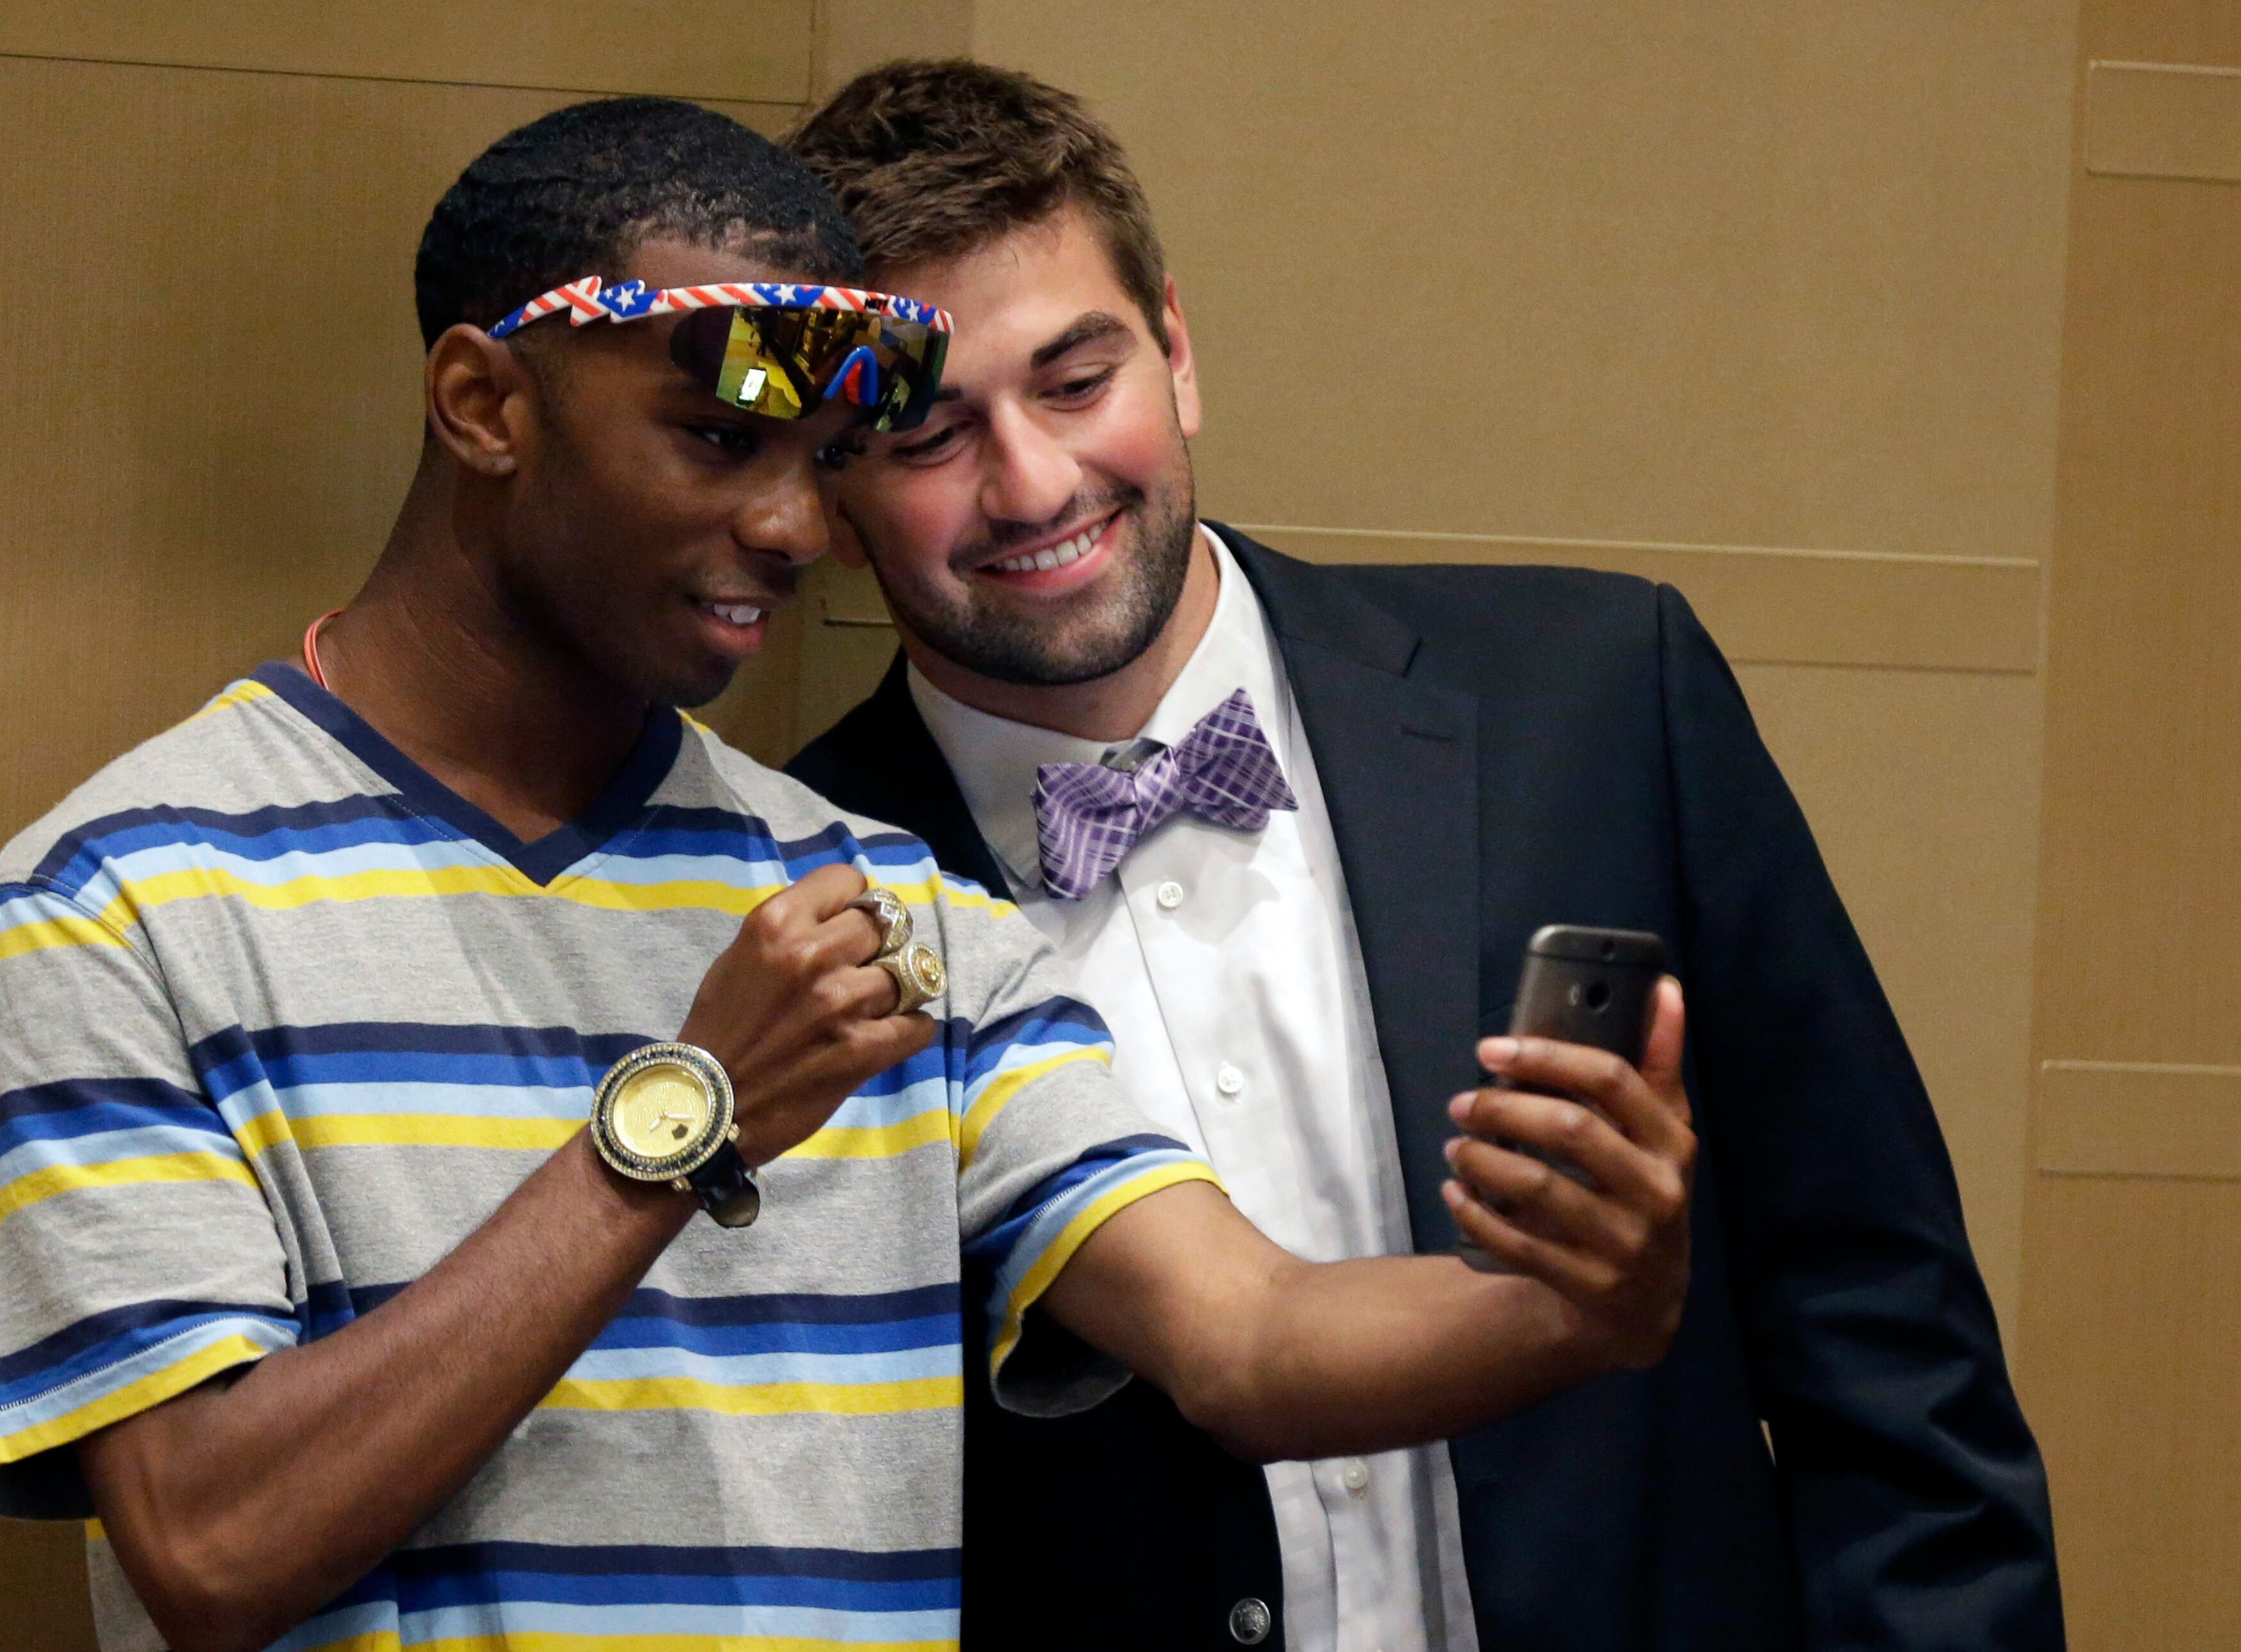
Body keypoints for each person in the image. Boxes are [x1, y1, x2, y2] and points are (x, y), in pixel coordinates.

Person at [0, 97, 1695, 1652]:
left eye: (825, 453)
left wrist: (1562, 1305)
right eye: (723, 438)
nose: (797, 529)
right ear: (485, 402)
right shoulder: (119, 897)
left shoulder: (890, 906)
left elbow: (1246, 1339)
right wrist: (679, 1125)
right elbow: (210, 1543)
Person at [785, 60, 2062, 1652]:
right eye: (928, 435)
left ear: (1177, 353)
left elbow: (1886, 1342)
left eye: (1074, 377)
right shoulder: (795, 888)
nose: (1033, 481)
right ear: (826, 495)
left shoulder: (1602, 695)